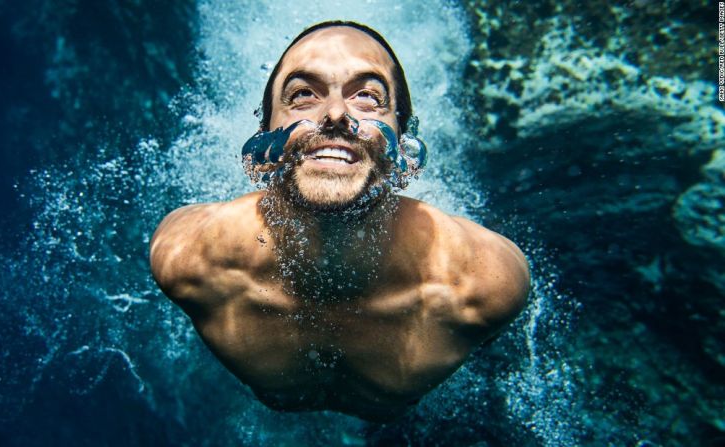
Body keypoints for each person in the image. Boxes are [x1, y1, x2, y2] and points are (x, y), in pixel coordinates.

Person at [150, 21, 529, 422]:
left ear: (404, 142)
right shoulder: (189, 261)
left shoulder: (483, 285)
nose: (334, 114)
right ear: (264, 137)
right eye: (302, 95)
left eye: (367, 97)